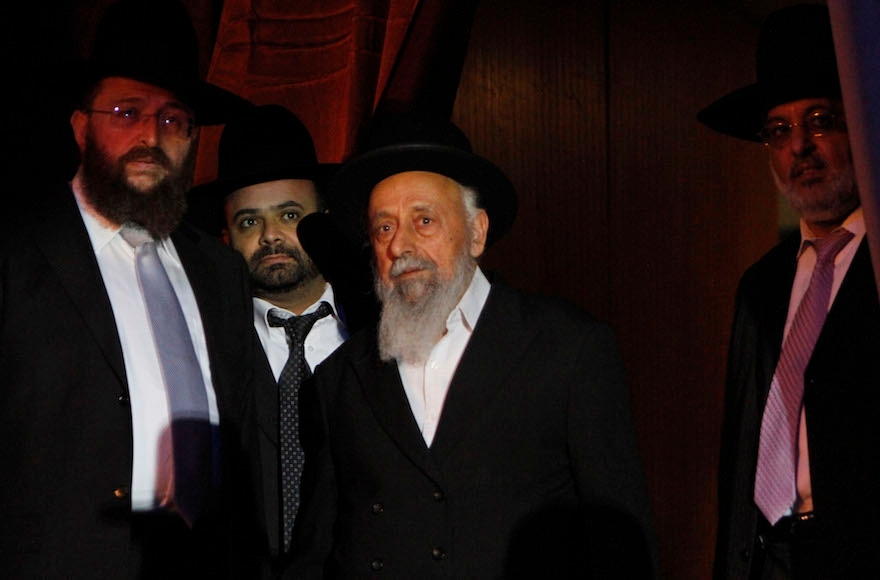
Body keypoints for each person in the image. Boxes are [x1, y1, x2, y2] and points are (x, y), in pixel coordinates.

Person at [285, 113, 656, 579]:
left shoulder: (568, 350)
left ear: (476, 232)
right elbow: (318, 552)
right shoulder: (339, 378)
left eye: (424, 220)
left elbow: (621, 545)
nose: (400, 245)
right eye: (384, 228)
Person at [0, 0, 269, 577]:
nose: (151, 134)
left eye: (174, 120)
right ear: (80, 128)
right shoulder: (17, 254)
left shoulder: (220, 273)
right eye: (127, 111)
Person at [698, 5, 880, 579]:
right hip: (771, 559)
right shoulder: (762, 285)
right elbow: (743, 451)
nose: (800, 146)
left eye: (821, 120)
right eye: (780, 131)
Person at [187, 103, 376, 570]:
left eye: (290, 215)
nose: (271, 236)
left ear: (324, 218)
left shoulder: (381, 332)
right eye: (250, 222)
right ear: (226, 237)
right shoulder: (200, 347)